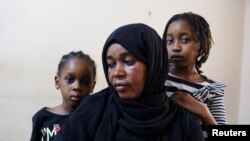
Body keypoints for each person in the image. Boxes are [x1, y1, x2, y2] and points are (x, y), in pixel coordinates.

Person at [55, 23, 205, 141]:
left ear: (153, 64)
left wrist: (206, 116)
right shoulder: (92, 110)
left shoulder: (184, 124)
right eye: (111, 64)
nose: (117, 73)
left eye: (128, 61)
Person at [162, 12, 227, 138]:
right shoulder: (158, 79)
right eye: (169, 41)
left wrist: (203, 112)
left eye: (184, 40)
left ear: (201, 45)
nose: (175, 47)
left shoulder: (212, 89)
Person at [30, 51, 96, 141]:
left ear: (92, 86)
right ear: (57, 82)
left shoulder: (95, 120)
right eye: (70, 80)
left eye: (85, 82)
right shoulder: (42, 117)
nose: (77, 87)